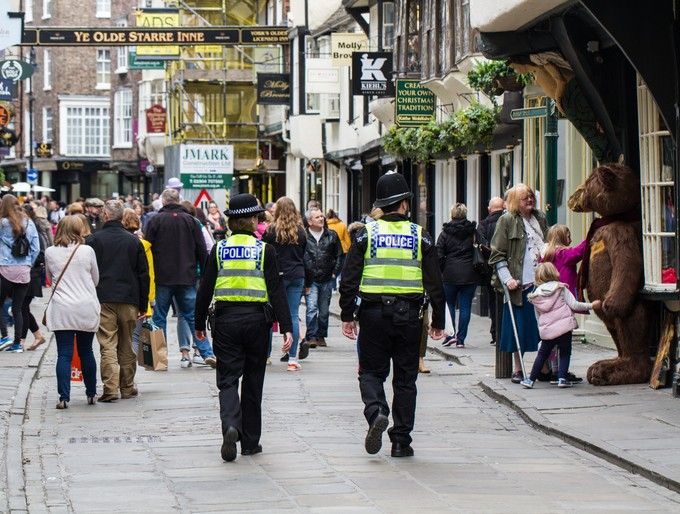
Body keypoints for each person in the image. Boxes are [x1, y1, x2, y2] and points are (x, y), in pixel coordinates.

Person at [339, 172, 446, 458]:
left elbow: (349, 279)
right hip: (410, 316)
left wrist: (346, 315)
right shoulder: (420, 235)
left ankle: (376, 411)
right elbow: (435, 281)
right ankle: (401, 442)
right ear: (403, 204)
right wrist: (438, 321)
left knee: (371, 372)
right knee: (405, 379)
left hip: (373, 315)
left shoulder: (365, 234)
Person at [194, 194, 293, 462]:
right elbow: (276, 290)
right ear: (251, 221)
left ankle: (230, 425)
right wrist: (286, 327)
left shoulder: (219, 249)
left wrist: (198, 323)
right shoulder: (265, 250)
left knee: (227, 378)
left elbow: (205, 289)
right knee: (253, 380)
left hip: (225, 321)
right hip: (257, 321)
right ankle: (250, 442)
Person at [87, 200, 149, 402]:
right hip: (129, 298)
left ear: (105, 215)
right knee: (127, 343)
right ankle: (128, 386)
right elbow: (143, 274)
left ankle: (111, 388)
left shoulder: (94, 240)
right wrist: (143, 304)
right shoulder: (133, 241)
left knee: (107, 344)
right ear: (122, 217)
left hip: (103, 297)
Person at [145, 189, 215, 368]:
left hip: (163, 277)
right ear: (178, 200)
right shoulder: (191, 221)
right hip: (187, 276)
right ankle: (206, 352)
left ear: (163, 201)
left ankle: (160, 358)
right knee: (193, 317)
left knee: (159, 318)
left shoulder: (155, 221)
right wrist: (205, 274)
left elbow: (147, 248)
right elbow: (201, 249)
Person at [489, 184, 548, 383]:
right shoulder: (506, 220)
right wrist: (507, 279)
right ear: (515, 202)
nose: (530, 200)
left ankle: (544, 366)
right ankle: (517, 368)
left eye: (531, 196)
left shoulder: (539, 218)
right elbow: (497, 254)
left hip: (541, 282)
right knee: (519, 329)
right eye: (525, 198)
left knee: (544, 326)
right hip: (519, 284)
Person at [44, 216, 100, 409]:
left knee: (64, 354)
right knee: (86, 351)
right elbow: (96, 279)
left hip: (62, 307)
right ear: (79, 229)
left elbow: (49, 279)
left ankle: (63, 397)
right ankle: (91, 393)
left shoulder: (50, 252)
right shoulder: (87, 250)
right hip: (85, 305)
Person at [521, 262, 601, 389]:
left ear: (538, 277)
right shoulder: (561, 288)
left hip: (548, 330)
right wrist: (592, 305)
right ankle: (562, 378)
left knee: (542, 354)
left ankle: (530, 380)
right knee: (564, 352)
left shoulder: (536, 295)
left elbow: (538, 317)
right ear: (554, 272)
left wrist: (541, 330)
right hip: (564, 328)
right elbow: (575, 305)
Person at [262, 197, 309, 370]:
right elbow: (304, 255)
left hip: (275, 277)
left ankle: (265, 355)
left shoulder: (271, 231)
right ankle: (292, 358)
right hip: (297, 275)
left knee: (268, 314)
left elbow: (265, 254)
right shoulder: (301, 232)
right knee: (292, 316)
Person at [435, 203, 482, 349]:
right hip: (470, 274)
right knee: (465, 305)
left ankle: (450, 335)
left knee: (448, 304)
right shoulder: (473, 231)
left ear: (452, 214)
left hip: (450, 274)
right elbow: (482, 247)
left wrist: (441, 270)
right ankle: (461, 339)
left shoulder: (445, 233)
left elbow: (439, 254)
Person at [0, 195, 40, 352]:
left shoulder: (3, 223)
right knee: (18, 308)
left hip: (4, 268)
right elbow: (36, 247)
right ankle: (18, 344)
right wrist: (28, 263)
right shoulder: (29, 222)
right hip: (24, 270)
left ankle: (4, 337)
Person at [303, 208, 342, 348]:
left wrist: (334, 272)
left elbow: (339, 255)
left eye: (322, 216)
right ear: (309, 221)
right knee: (312, 308)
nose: (321, 219)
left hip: (327, 278)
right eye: (317, 217)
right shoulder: (303, 236)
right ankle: (311, 336)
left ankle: (321, 336)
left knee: (324, 310)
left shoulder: (331, 235)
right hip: (311, 279)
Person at [121, 209, 155, 354]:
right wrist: (151, 301)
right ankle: (130, 371)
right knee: (134, 337)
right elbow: (149, 275)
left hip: (118, 297)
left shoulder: (118, 242)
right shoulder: (144, 245)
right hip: (139, 299)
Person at [20, 204, 48, 351]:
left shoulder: (35, 229)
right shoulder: (26, 229)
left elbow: (41, 254)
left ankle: (21, 341)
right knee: (22, 307)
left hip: (32, 274)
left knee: (22, 307)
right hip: (28, 274)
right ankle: (37, 337)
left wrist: (27, 262)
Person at [478, 197, 505, 345]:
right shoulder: (509, 221)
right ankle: (503, 332)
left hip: (490, 268)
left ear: (489, 209)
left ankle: (496, 332)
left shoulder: (482, 225)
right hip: (508, 267)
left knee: (493, 300)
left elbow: (483, 246)